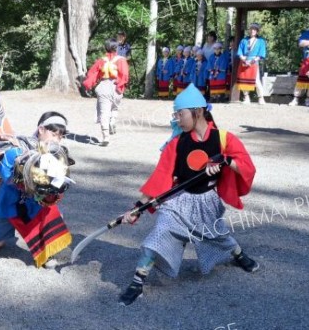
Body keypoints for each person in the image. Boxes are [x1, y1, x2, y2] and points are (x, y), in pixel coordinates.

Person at [117, 84, 259, 306]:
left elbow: (246, 167)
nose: (176, 119)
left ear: (198, 112)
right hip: (179, 200)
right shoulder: (177, 143)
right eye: (176, 114)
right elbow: (160, 177)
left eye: (180, 114)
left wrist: (226, 160)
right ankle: (137, 282)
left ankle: (238, 255)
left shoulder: (223, 138)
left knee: (217, 235)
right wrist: (138, 208)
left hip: (207, 202)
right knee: (160, 232)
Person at [0, 112, 74, 269]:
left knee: (53, 215)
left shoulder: (57, 154)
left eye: (60, 137)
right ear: (41, 129)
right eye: (53, 134)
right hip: (11, 203)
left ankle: (46, 252)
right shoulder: (17, 148)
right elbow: (6, 176)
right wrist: (31, 177)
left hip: (37, 203)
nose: (56, 140)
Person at [82, 38, 130, 146]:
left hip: (103, 86)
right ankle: (112, 121)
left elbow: (91, 74)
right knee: (115, 107)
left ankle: (105, 138)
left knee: (104, 112)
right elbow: (125, 75)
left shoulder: (101, 60)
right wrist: (121, 86)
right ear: (115, 47)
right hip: (116, 86)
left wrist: (88, 85)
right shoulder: (121, 60)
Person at [236, 23, 267, 105]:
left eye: (254, 29)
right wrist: (243, 59)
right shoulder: (244, 40)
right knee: (243, 80)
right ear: (249, 30)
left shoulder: (261, 41)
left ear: (257, 31)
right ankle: (246, 97)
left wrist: (253, 60)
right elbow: (239, 52)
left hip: (254, 62)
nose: (252, 31)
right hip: (244, 62)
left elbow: (261, 54)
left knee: (256, 81)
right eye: (251, 29)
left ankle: (261, 98)